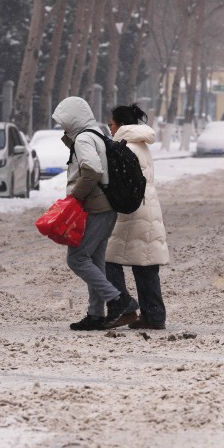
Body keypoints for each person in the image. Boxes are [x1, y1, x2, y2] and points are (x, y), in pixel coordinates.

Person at [53, 96, 138, 331]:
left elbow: (91, 170)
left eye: (63, 121)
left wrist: (75, 197)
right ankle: (95, 313)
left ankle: (119, 300)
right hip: (106, 207)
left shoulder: (83, 139)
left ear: (73, 118)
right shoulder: (95, 134)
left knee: (77, 258)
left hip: (95, 207)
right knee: (95, 261)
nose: (62, 126)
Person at [103, 103, 170, 331]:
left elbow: (120, 183)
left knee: (107, 258)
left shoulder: (124, 147)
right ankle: (154, 315)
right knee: (145, 264)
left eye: (111, 124)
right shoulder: (141, 145)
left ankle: (124, 305)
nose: (110, 128)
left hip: (130, 212)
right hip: (148, 208)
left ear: (120, 124)